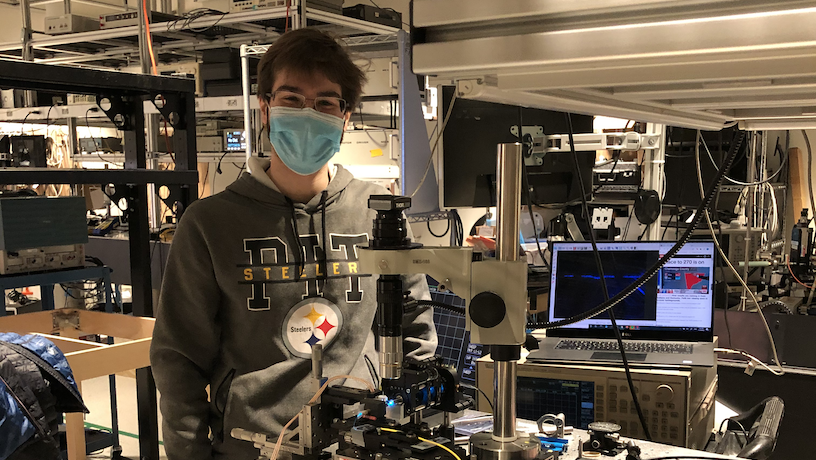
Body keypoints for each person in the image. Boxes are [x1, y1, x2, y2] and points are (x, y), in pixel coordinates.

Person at [150, 28, 437, 459]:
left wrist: (411, 428)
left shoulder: (379, 215)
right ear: (265, 108)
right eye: (291, 98)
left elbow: (415, 324)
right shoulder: (209, 224)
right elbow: (179, 361)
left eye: (325, 102)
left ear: (345, 114)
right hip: (255, 446)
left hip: (365, 442)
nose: (308, 112)